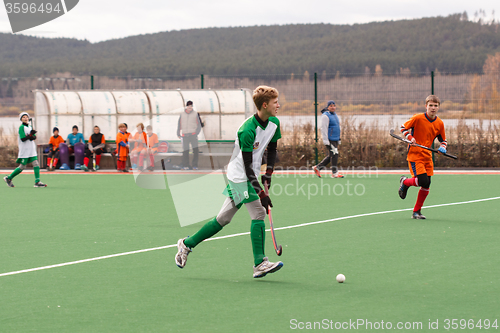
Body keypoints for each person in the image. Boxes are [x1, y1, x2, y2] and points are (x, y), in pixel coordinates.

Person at [175, 85, 283, 278]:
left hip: (252, 175)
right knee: (259, 212)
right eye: (275, 103)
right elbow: (247, 166)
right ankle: (260, 263)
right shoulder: (247, 130)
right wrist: (261, 193)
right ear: (265, 105)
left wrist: (269, 174)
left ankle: (187, 244)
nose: (279, 105)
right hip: (239, 176)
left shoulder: (274, 122)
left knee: (223, 219)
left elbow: (272, 149)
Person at [398, 95, 447, 219]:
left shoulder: (439, 123)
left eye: (435, 106)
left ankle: (416, 212)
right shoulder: (418, 118)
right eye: (431, 105)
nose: (433, 108)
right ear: (426, 106)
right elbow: (403, 128)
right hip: (415, 155)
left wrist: (443, 147)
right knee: (422, 181)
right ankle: (405, 182)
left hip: (427, 156)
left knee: (426, 184)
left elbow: (443, 140)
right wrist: (410, 138)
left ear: (438, 107)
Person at [3, 112, 47, 188]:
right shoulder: (21, 127)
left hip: (31, 149)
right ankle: (9, 178)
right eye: (24, 117)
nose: (26, 118)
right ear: (21, 119)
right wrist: (30, 135)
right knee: (22, 167)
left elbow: (33, 138)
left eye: (27, 117)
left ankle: (37, 181)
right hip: (25, 150)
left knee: (36, 164)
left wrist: (33, 135)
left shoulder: (30, 127)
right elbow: (23, 139)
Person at [313, 100, 344, 178]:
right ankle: (334, 173)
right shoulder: (325, 116)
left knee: (332, 154)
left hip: (335, 139)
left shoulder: (334, 115)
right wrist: (325, 140)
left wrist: (339, 139)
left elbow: (337, 127)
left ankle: (318, 168)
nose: (333, 107)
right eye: (331, 106)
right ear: (328, 107)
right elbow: (323, 128)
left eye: (334, 106)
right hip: (330, 139)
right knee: (335, 154)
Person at [177, 100, 202, 170]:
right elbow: (179, 124)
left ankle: (195, 165)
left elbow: (199, 125)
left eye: (191, 106)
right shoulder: (182, 115)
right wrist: (178, 133)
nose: (190, 108)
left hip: (193, 135)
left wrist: (196, 133)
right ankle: (186, 165)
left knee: (195, 150)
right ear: (186, 107)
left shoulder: (195, 114)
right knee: (185, 151)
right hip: (185, 135)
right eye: (188, 106)